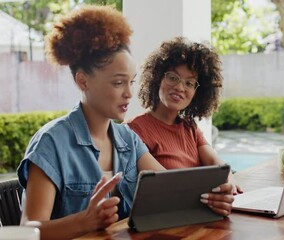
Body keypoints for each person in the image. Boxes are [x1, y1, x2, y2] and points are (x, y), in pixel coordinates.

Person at [16, 6, 234, 239]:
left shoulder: (128, 139)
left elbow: (173, 191)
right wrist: (85, 221)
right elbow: (27, 230)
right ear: (83, 81)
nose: (129, 93)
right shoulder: (51, 143)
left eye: (131, 82)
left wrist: (214, 198)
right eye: (119, 83)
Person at [125, 37, 243, 194]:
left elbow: (215, 162)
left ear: (197, 92)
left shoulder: (190, 127)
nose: (180, 87)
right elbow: (167, 185)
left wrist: (230, 180)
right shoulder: (135, 130)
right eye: (172, 77)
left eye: (189, 83)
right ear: (157, 78)